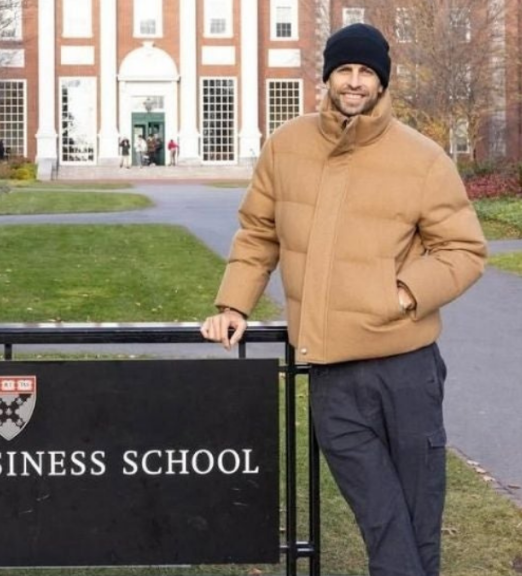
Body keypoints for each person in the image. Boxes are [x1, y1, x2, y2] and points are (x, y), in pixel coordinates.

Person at [200, 23, 486, 576]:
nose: (355, 82)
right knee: (381, 517)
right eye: (345, 70)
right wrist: (234, 305)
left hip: (407, 369)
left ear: (382, 82)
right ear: (328, 76)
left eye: (366, 72)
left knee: (418, 519)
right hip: (332, 372)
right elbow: (258, 233)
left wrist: (402, 295)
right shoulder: (286, 146)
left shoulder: (423, 158)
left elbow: (464, 249)